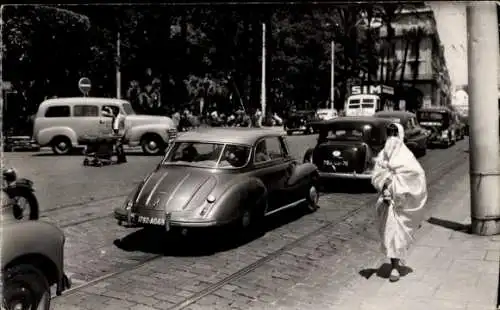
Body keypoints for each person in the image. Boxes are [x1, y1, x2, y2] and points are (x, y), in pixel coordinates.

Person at [371, 123, 428, 282]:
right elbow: (376, 174)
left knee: (397, 234)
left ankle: (395, 268)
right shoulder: (383, 154)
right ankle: (394, 263)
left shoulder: (406, 155)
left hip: (402, 203)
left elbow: (416, 175)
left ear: (401, 135)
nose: (392, 138)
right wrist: (384, 184)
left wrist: (395, 186)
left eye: (395, 134)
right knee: (389, 234)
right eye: (390, 134)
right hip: (386, 202)